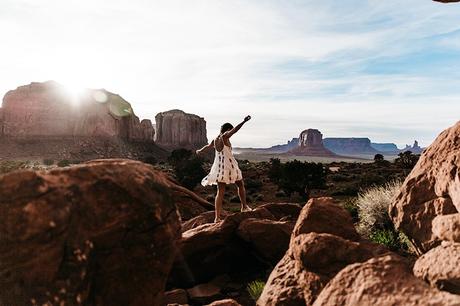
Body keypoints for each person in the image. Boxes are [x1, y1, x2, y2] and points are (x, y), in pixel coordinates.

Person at [196, 115, 252, 222]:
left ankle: (217, 217)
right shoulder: (225, 136)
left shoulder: (215, 139)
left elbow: (207, 147)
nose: (230, 133)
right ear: (227, 130)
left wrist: (199, 151)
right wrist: (243, 122)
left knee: (220, 191)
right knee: (240, 184)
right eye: (229, 130)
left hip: (219, 168)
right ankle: (244, 207)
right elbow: (235, 130)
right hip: (229, 166)